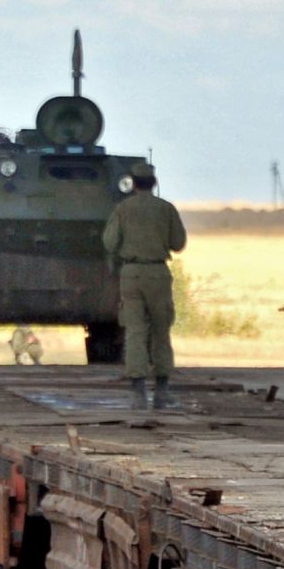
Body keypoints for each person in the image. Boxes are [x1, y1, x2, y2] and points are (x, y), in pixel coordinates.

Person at [100, 161, 187, 409]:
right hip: (158, 273)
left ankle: (138, 392)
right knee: (161, 330)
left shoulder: (122, 209)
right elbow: (178, 243)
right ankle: (162, 390)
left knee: (135, 331)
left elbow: (109, 242)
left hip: (132, 273)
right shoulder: (166, 209)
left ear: (134, 184)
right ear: (154, 183)